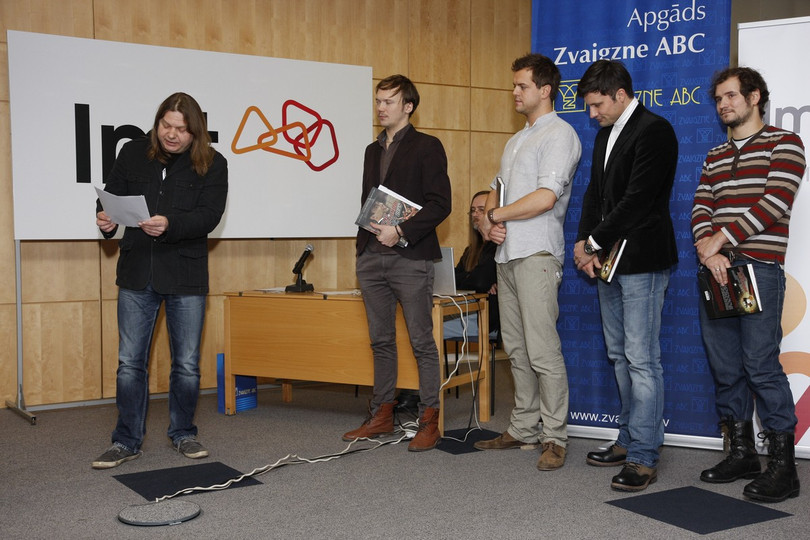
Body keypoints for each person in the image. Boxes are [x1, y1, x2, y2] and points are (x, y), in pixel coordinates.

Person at [92, 92, 228, 469]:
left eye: (181, 130)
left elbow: (209, 216)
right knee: (129, 363)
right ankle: (125, 441)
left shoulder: (213, 163)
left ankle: (183, 433)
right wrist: (105, 220)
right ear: (157, 123)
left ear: (195, 132)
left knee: (186, 363)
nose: (171, 134)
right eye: (166, 126)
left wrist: (170, 224)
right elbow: (110, 198)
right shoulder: (133, 152)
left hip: (185, 274)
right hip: (137, 272)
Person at [692, 67, 804, 503]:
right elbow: (701, 205)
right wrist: (710, 252)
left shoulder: (785, 143)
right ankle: (742, 454)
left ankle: (784, 468)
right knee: (725, 367)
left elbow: (775, 201)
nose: (723, 104)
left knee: (760, 365)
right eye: (719, 98)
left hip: (759, 269)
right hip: (716, 271)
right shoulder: (715, 155)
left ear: (755, 97)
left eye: (731, 96)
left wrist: (721, 238)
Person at [573, 60, 678, 492]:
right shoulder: (604, 134)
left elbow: (638, 200)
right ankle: (628, 438)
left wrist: (593, 243)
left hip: (642, 260)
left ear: (620, 94)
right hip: (608, 261)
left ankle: (644, 456)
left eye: (597, 104)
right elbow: (594, 195)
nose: (592, 113)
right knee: (619, 355)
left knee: (641, 359)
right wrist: (583, 242)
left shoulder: (656, 130)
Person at [475, 53, 581, 472]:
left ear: (545, 90)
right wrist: (488, 222)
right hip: (507, 255)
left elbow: (545, 198)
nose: (515, 92)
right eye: (515, 85)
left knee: (542, 351)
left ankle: (554, 436)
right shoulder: (516, 139)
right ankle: (523, 428)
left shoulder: (560, 134)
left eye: (522, 86)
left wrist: (496, 215)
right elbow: (496, 190)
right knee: (516, 349)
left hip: (537, 253)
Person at [343, 75, 452, 452]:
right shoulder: (371, 150)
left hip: (409, 256)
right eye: (378, 100)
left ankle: (429, 420)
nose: (381, 107)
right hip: (371, 256)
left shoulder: (427, 146)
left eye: (389, 101)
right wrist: (364, 245)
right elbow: (369, 201)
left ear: (408, 106)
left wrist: (401, 230)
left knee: (422, 341)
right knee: (381, 340)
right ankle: (382, 415)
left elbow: (441, 204)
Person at [443, 190, 500, 341]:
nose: (475, 214)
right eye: (473, 210)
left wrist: (475, 279)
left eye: (481, 210)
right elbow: (453, 279)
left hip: (489, 320)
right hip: (469, 311)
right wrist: (473, 277)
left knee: (428, 327)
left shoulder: (498, 246)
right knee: (425, 319)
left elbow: (479, 281)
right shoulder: (471, 250)